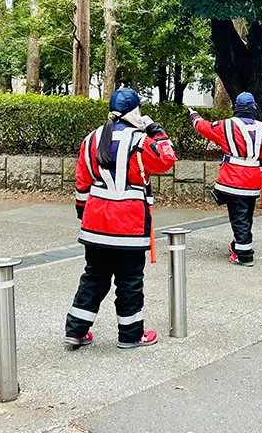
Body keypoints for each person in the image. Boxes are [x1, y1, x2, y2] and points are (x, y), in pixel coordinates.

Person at [64, 88, 178, 348]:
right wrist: (156, 130)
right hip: (129, 223)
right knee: (130, 281)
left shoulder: (92, 138)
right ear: (135, 111)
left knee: (93, 277)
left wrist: (84, 214)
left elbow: (82, 182)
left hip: (95, 222)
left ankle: (76, 330)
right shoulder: (140, 141)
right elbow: (166, 160)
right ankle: (130, 335)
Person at [188, 92, 262, 266]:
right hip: (253, 181)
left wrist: (194, 116)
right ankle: (239, 244)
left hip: (233, 179)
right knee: (246, 215)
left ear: (236, 108)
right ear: (254, 108)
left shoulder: (227, 126)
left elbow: (204, 128)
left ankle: (244, 254)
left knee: (238, 217)